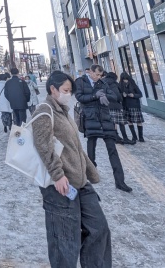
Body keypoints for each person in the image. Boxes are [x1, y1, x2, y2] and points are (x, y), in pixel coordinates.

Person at [31, 71, 112, 268]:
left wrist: (89, 171)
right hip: (59, 186)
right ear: (53, 89)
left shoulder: (62, 111)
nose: (69, 94)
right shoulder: (44, 111)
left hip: (79, 182)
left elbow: (73, 145)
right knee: (65, 242)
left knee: (99, 228)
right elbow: (44, 146)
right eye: (66, 90)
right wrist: (58, 175)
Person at [74, 64, 132, 193]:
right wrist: (95, 96)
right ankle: (90, 174)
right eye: (97, 74)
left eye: (100, 75)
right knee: (91, 149)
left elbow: (115, 96)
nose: (99, 77)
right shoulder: (81, 82)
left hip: (105, 119)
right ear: (91, 72)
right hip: (90, 119)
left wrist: (105, 96)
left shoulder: (103, 83)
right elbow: (79, 97)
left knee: (112, 150)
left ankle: (120, 181)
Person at [102, 72, 132, 145]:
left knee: (113, 123)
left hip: (107, 105)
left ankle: (116, 137)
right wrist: (121, 99)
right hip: (116, 106)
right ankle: (125, 138)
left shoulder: (103, 83)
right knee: (121, 123)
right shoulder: (113, 84)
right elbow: (117, 95)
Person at [119, 71, 145, 142]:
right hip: (126, 105)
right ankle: (134, 137)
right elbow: (119, 96)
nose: (125, 81)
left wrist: (133, 95)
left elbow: (140, 94)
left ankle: (141, 137)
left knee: (139, 121)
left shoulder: (133, 85)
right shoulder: (120, 85)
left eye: (126, 79)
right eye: (124, 80)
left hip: (135, 105)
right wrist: (122, 95)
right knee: (129, 121)